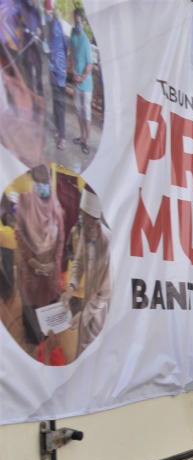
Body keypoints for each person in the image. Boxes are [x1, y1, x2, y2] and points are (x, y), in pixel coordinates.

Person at [14, 165, 65, 349]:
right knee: (31, 305)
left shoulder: (56, 208)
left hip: (50, 269)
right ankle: (32, 341)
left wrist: (54, 263)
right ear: (32, 178)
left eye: (45, 180)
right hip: (31, 268)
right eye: (38, 180)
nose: (42, 184)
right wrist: (31, 261)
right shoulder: (25, 201)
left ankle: (46, 340)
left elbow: (61, 239)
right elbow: (19, 233)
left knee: (48, 304)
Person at [61, 189, 111, 357]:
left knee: (96, 351)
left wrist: (83, 315)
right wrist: (71, 287)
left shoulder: (110, 243)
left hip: (102, 310)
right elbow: (79, 262)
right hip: (87, 302)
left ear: (98, 221)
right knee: (82, 348)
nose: (86, 230)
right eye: (82, 220)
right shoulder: (85, 229)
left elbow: (104, 293)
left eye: (89, 225)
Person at [70, 8, 93, 155]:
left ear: (82, 22)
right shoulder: (73, 36)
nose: (77, 22)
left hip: (85, 84)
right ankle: (82, 135)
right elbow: (72, 54)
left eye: (79, 20)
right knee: (78, 111)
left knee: (86, 113)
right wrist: (73, 70)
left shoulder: (85, 40)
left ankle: (87, 140)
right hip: (76, 81)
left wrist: (82, 77)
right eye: (75, 19)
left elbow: (89, 64)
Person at [45, 0, 67, 151]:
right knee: (55, 103)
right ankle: (58, 133)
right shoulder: (53, 24)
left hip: (58, 72)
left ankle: (62, 137)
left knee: (59, 105)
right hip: (54, 71)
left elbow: (55, 48)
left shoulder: (54, 26)